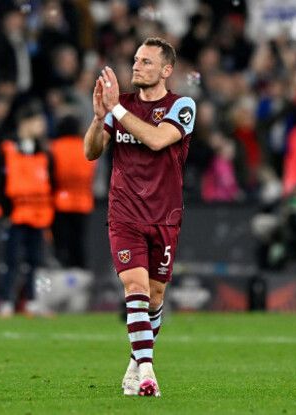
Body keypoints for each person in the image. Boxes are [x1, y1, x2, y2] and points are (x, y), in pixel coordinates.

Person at [83, 37, 196, 397]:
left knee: (155, 295)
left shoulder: (182, 106)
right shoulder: (121, 107)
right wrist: (100, 117)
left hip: (165, 215)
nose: (136, 66)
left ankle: (135, 361)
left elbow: (158, 140)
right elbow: (91, 152)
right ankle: (148, 373)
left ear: (166, 70)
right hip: (125, 213)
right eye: (135, 60)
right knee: (136, 287)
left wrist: (115, 111)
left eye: (146, 62)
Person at [0, 101, 54, 318]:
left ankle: (33, 301)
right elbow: (0, 183)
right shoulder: (7, 148)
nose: (41, 126)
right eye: (37, 121)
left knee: (35, 261)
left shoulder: (44, 152)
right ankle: (7, 301)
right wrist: (5, 212)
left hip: (38, 215)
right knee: (12, 260)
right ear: (25, 122)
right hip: (16, 214)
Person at [50, 115, 96, 268]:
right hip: (83, 202)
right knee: (79, 241)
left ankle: (63, 275)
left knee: (61, 243)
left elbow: (52, 175)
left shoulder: (54, 147)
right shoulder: (86, 146)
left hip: (60, 201)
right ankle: (81, 273)